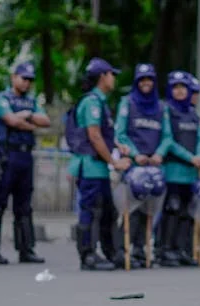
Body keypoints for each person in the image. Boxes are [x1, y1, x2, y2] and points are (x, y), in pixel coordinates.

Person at [67, 57, 131, 270]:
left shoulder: (100, 103)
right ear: (102, 76)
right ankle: (88, 256)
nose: (113, 78)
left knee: (107, 212)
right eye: (112, 74)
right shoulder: (91, 102)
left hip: (99, 169)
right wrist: (114, 161)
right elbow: (94, 137)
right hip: (90, 167)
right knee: (90, 211)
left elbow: (102, 133)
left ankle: (111, 254)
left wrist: (118, 145)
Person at [0, 62, 50, 264]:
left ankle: (26, 249)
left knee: (24, 206)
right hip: (6, 155)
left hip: (25, 156)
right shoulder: (2, 98)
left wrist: (26, 115)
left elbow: (46, 121)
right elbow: (10, 120)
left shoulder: (31, 102)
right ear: (14, 77)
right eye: (24, 78)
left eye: (30, 79)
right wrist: (29, 124)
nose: (27, 83)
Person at [114, 63, 169, 268]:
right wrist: (136, 155)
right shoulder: (127, 103)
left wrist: (159, 154)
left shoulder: (161, 106)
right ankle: (124, 250)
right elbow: (120, 133)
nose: (146, 83)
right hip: (134, 165)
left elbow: (167, 136)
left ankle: (140, 250)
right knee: (131, 209)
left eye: (149, 80)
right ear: (137, 82)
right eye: (142, 80)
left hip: (153, 166)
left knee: (150, 209)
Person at [158, 70, 200, 267]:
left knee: (187, 212)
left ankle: (182, 249)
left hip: (191, 174)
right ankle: (165, 250)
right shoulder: (167, 110)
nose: (179, 91)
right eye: (175, 87)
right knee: (172, 209)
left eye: (183, 87)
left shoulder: (192, 114)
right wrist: (191, 157)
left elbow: (199, 139)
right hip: (173, 171)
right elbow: (168, 141)